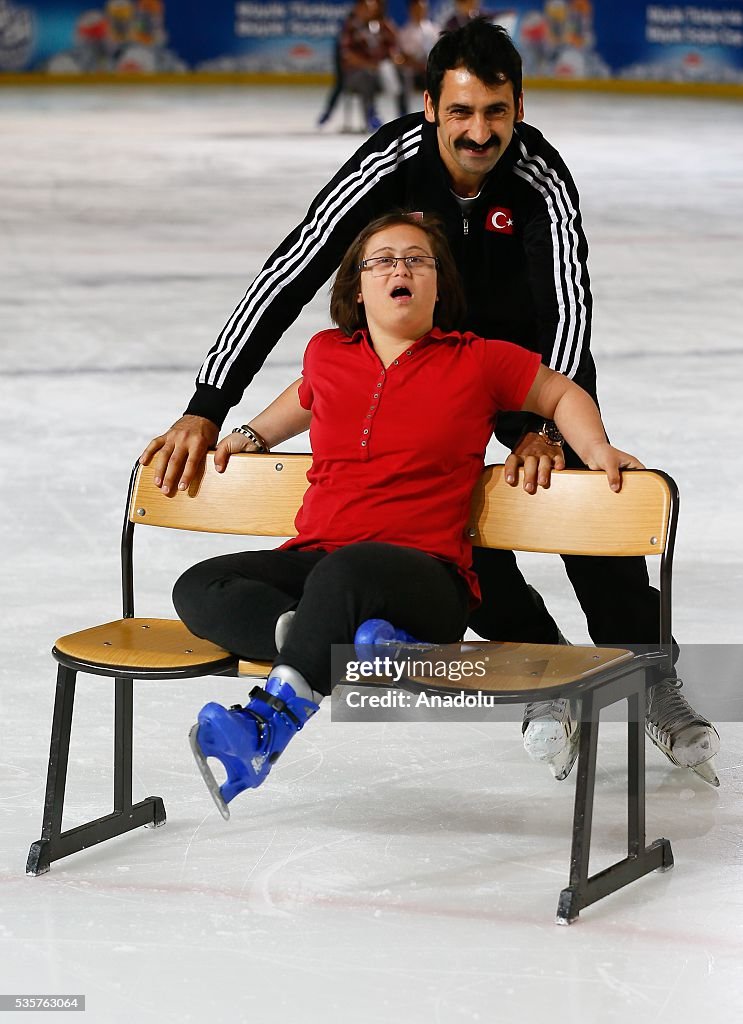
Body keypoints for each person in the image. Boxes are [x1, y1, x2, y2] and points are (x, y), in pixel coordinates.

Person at [141, 19, 719, 786]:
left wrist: (545, 426)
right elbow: (292, 269)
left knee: (592, 524)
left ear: (518, 107)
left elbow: (569, 301)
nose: (479, 132)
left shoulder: (539, 173)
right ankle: (542, 672)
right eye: (460, 112)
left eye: (496, 112)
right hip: (418, 368)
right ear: (428, 109)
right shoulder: (389, 160)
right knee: (456, 534)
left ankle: (652, 680)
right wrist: (209, 404)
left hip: (529, 369)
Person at [175, 212, 645, 818]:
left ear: (439, 286)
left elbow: (561, 391)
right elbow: (307, 395)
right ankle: (338, 642)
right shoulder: (327, 354)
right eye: (383, 260)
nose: (401, 268)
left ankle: (268, 726)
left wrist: (594, 447)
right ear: (358, 287)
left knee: (348, 573)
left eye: (418, 260)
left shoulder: (477, 360)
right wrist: (253, 434)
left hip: (428, 580)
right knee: (200, 585)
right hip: (322, 566)